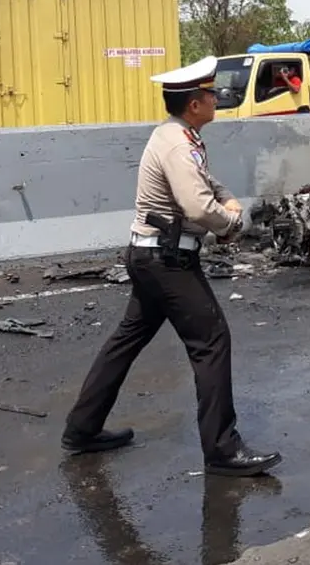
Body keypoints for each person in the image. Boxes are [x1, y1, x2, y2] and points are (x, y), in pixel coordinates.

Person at [61, 56, 282, 478]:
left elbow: (207, 184)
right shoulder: (179, 144)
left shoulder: (178, 136)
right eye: (210, 93)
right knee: (212, 340)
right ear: (194, 104)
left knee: (125, 341)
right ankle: (222, 450)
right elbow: (198, 205)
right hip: (167, 261)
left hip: (150, 256)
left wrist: (225, 198)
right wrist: (231, 221)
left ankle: (82, 429)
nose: (217, 98)